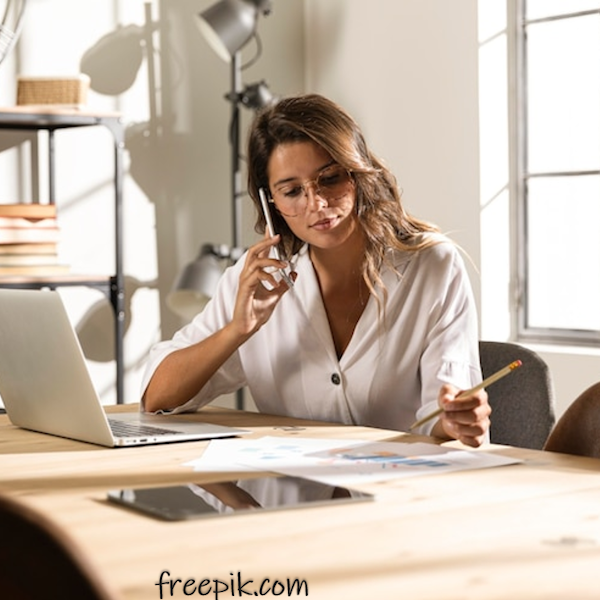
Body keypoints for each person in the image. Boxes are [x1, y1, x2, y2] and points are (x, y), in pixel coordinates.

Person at [141, 93, 491, 447]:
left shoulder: (432, 267)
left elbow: (445, 414)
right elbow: (156, 399)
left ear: (356, 172)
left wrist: (457, 421)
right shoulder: (256, 281)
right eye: (292, 191)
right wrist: (238, 330)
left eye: (330, 178)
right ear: (271, 203)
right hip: (289, 495)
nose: (317, 204)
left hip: (399, 490)